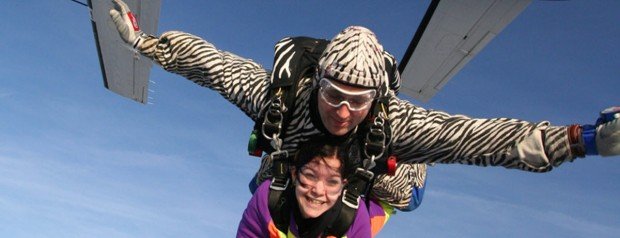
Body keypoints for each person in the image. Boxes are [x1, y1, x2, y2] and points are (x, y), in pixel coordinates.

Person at [108, 0, 620, 213]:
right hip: (303, 163)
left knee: (393, 183)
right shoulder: (279, 98)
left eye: (359, 101)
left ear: (377, 99)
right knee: (270, 181)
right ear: (317, 84)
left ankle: (391, 179)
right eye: (333, 96)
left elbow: (482, 140)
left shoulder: (394, 122)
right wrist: (144, 44)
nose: (344, 112)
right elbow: (213, 65)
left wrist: (584, 141)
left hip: (382, 178)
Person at [237, 137, 390, 237]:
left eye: (332, 182)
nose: (318, 190)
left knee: (411, 199)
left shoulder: (354, 218)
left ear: (343, 186)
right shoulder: (268, 197)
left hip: (377, 203)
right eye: (310, 176)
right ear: (295, 174)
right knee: (260, 187)